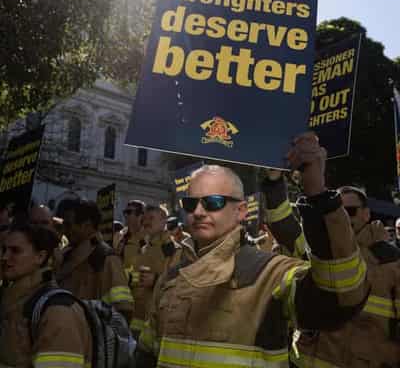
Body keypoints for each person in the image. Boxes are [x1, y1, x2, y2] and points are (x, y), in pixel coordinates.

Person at [136, 133, 369, 367]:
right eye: (190, 203)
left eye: (213, 202)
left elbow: (340, 297)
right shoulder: (172, 277)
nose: (198, 212)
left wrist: (318, 194)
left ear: (241, 211)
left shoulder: (273, 273)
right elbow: (146, 354)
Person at [263, 177, 400, 367]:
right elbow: (284, 227)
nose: (342, 217)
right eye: (337, 210)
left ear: (366, 214)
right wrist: (274, 182)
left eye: (350, 211)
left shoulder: (392, 262)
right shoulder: (317, 250)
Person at [0, 223, 92, 368]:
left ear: (40, 257)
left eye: (15, 251)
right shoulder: (13, 300)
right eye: (4, 249)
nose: (5, 257)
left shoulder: (59, 310)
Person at [56, 199, 134, 323]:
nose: (65, 231)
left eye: (69, 225)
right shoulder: (65, 255)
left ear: (86, 226)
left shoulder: (105, 258)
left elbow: (122, 310)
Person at [127, 204, 177, 338]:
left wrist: (155, 280)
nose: (146, 222)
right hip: (136, 317)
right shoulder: (144, 248)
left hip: (155, 319)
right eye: (145, 218)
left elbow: (177, 281)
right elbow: (135, 276)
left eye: (151, 218)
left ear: (163, 221)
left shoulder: (172, 249)